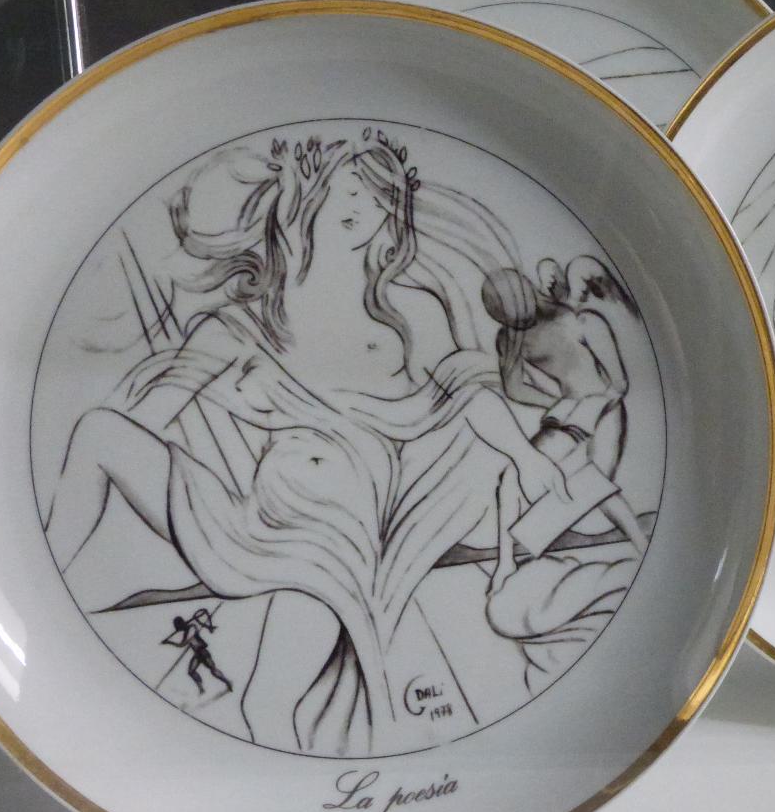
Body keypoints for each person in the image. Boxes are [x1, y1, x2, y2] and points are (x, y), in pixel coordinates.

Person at [43, 129, 569, 755]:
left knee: (268, 705)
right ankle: (43, 581)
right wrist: (228, 406)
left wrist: (525, 454)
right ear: (306, 199)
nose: (361, 206)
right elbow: (151, 415)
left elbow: (467, 391)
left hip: (333, 540)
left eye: (378, 195)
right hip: (247, 519)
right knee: (98, 432)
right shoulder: (243, 322)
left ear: (392, 215)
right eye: (348, 189)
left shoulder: (408, 312)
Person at [481, 267, 649, 555]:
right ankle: (505, 563)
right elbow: (515, 389)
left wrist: (589, 408)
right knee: (512, 475)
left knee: (592, 483)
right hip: (568, 412)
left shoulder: (580, 320)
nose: (517, 322)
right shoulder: (509, 339)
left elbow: (619, 384)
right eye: (507, 316)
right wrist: (555, 404)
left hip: (605, 408)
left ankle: (641, 544)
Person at [163, 611, 233, 695]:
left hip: (203, 652)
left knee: (213, 669)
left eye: (178, 627)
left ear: (181, 624)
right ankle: (201, 689)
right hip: (197, 654)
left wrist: (169, 642)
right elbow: (181, 644)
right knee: (191, 671)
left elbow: (182, 644)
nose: (178, 629)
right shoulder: (185, 633)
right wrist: (169, 642)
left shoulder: (192, 627)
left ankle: (227, 682)